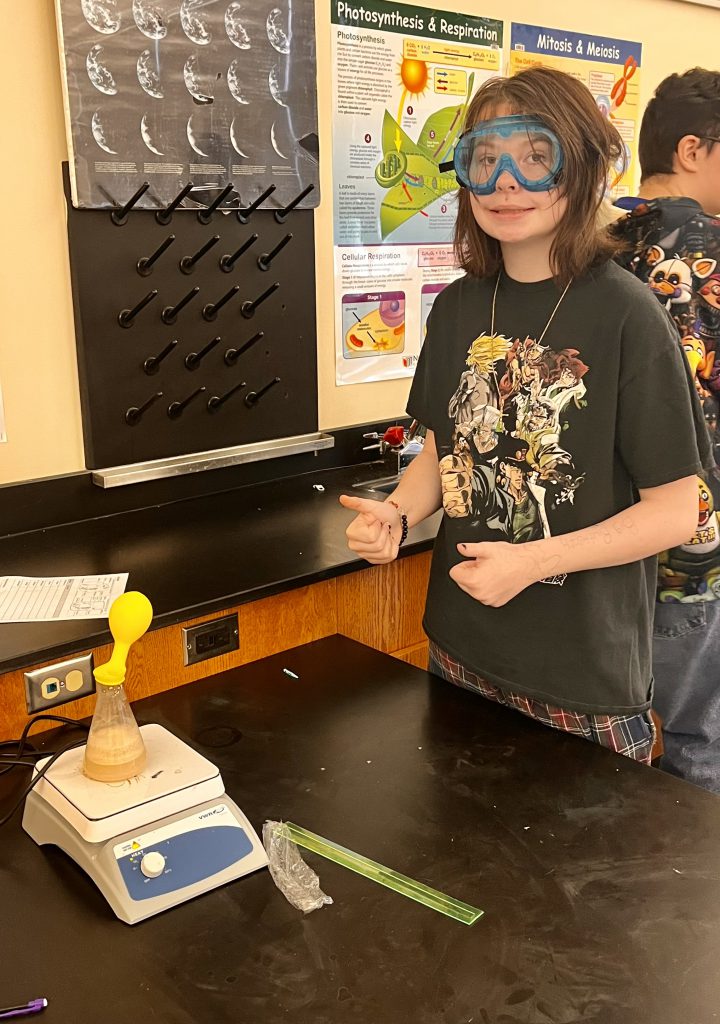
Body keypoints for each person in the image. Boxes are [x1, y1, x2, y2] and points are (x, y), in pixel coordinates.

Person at [339, 66, 710, 766]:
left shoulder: (628, 314)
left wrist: (535, 561)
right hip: (459, 649)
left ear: (585, 170)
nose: (508, 180)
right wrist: (395, 514)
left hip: (581, 685)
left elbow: (676, 511)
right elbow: (446, 453)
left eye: (537, 158)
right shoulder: (457, 306)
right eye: (487, 159)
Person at [612, 68, 720, 791]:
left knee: (618, 738)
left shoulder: (597, 246)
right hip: (698, 550)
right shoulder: (711, 249)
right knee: (703, 741)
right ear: (691, 149)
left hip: (610, 549)